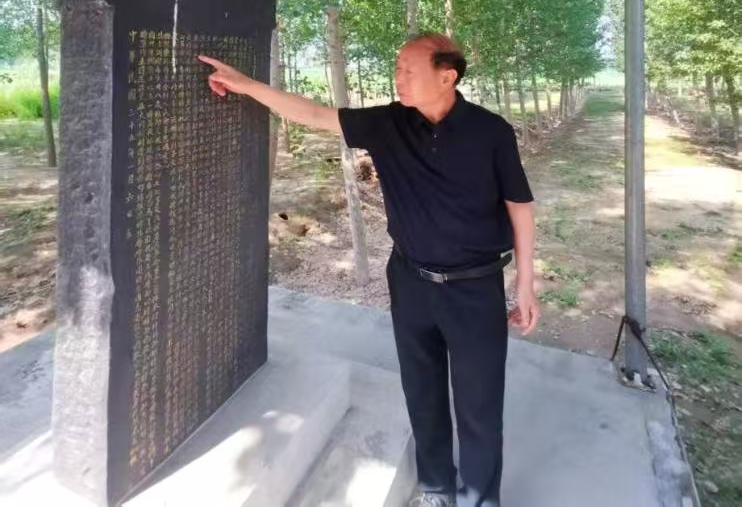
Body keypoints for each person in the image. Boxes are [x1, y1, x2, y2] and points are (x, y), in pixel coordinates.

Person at [198, 32, 539, 507]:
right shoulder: (388, 124)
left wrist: (525, 284)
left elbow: (519, 206)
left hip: (474, 287)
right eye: (397, 68)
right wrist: (247, 85)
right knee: (422, 392)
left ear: (447, 76)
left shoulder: (491, 132)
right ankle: (436, 487)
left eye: (409, 70)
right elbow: (314, 115)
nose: (398, 77)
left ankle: (480, 499)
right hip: (411, 281)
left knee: (478, 404)